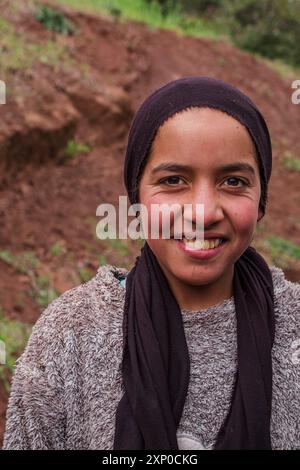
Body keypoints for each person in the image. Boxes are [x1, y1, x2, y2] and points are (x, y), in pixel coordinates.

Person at [3, 76, 300, 450]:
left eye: (233, 181)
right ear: (136, 198)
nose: (204, 212)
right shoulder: (72, 334)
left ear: (260, 202)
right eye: (174, 180)